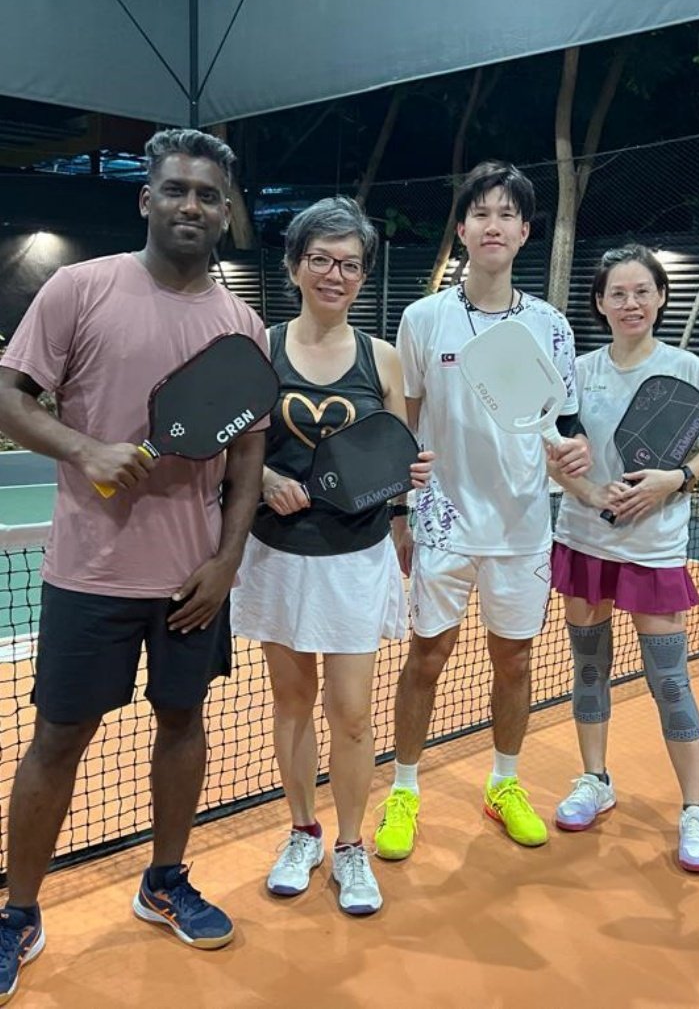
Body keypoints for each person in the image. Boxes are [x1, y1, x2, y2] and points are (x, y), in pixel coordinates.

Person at [0, 129, 268, 1003]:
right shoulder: (79, 289)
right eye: (177, 189)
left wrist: (228, 561)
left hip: (192, 581)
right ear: (145, 199)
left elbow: (248, 456)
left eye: (209, 195)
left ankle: (165, 881)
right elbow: (8, 397)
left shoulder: (241, 325)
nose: (193, 205)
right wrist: (85, 449)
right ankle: (17, 912)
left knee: (183, 724)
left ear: (225, 214)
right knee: (58, 739)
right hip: (89, 576)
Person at [374, 161, 590, 862]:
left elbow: (562, 424)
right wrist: (399, 514)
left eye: (507, 214)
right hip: (442, 521)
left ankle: (504, 783)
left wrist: (572, 453)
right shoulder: (423, 319)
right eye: (481, 213)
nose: (493, 225)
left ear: (525, 232)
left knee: (514, 661)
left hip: (522, 527)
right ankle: (404, 789)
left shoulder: (550, 325)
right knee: (426, 658)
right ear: (462, 229)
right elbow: (404, 423)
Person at [230, 196, 432, 916]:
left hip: (355, 557)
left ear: (363, 276)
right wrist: (265, 479)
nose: (334, 274)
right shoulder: (261, 347)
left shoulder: (382, 359)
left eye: (349, 264)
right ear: (294, 267)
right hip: (277, 555)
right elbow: (231, 445)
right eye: (320, 259)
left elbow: (395, 454)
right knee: (291, 704)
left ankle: (350, 846)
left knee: (350, 713)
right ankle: (302, 832)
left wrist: (409, 484)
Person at [548, 245, 699, 872]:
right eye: (618, 293)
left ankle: (695, 809)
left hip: (654, 550)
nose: (631, 303)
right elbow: (556, 455)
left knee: (669, 680)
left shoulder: (685, 367)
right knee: (589, 669)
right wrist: (589, 491)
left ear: (660, 298)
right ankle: (595, 779)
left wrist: (674, 479)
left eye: (642, 291)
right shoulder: (577, 371)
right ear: (600, 303)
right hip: (585, 542)